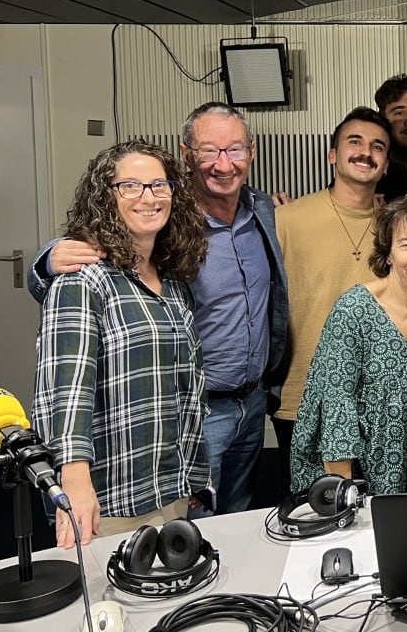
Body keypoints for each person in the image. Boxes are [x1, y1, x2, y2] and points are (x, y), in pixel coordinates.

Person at [28, 103, 288, 518]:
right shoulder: (163, 227)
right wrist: (45, 261)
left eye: (235, 149)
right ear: (187, 155)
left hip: (249, 403)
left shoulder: (262, 212)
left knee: (234, 524)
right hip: (196, 411)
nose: (224, 164)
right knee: (188, 530)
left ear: (251, 152)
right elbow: (67, 380)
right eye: (209, 151)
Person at [35, 140, 209, 547]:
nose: (148, 198)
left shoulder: (174, 283)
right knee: (109, 609)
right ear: (105, 196)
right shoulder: (82, 280)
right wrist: (74, 480)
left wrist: (194, 477)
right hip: (109, 498)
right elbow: (68, 389)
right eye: (130, 186)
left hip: (170, 487)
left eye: (159, 185)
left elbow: (185, 388)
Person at [290, 195, 407, 494]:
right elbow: (337, 406)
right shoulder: (353, 310)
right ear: (388, 253)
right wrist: (344, 495)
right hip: (356, 469)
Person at [274, 107, 390, 497]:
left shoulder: (397, 227)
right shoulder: (287, 219)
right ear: (332, 154)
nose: (365, 152)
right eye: (354, 142)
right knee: (315, 510)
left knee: (375, 513)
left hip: (377, 399)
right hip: (303, 391)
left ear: (386, 163)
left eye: (377, 146)